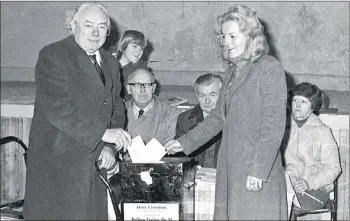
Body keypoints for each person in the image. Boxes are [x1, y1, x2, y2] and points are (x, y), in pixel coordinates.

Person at [165, 5, 288, 220]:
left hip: (256, 170)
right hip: (230, 167)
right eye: (223, 36)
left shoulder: (269, 67)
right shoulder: (231, 71)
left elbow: (273, 124)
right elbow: (217, 118)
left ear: (251, 36)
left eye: (232, 36)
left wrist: (258, 170)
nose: (226, 42)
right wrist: (184, 142)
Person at [23, 2, 131, 220]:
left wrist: (109, 146)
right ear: (73, 26)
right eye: (88, 25)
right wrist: (102, 134)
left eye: (101, 27)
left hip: (95, 164)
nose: (94, 32)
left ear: (108, 32)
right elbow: (58, 109)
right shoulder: (53, 55)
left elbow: (115, 109)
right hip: (59, 165)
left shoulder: (110, 62)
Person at [284, 82, 341, 213]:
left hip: (316, 189)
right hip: (289, 185)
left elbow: (333, 168)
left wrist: (309, 183)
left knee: (282, 204)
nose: (297, 105)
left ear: (312, 106)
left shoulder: (322, 132)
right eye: (295, 100)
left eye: (303, 102)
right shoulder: (284, 128)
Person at [175, 73, 223, 168]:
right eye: (202, 96)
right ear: (197, 97)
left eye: (212, 95)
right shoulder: (184, 120)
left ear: (222, 96)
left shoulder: (233, 118)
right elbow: (181, 157)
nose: (207, 101)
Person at [125, 68, 182, 146]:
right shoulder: (116, 112)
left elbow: (170, 150)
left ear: (153, 88)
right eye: (137, 85)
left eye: (147, 85)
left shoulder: (173, 115)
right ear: (128, 89)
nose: (143, 91)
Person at [113, 30, 150, 100]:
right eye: (135, 46)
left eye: (141, 48)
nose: (139, 51)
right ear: (123, 45)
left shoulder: (141, 68)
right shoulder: (108, 60)